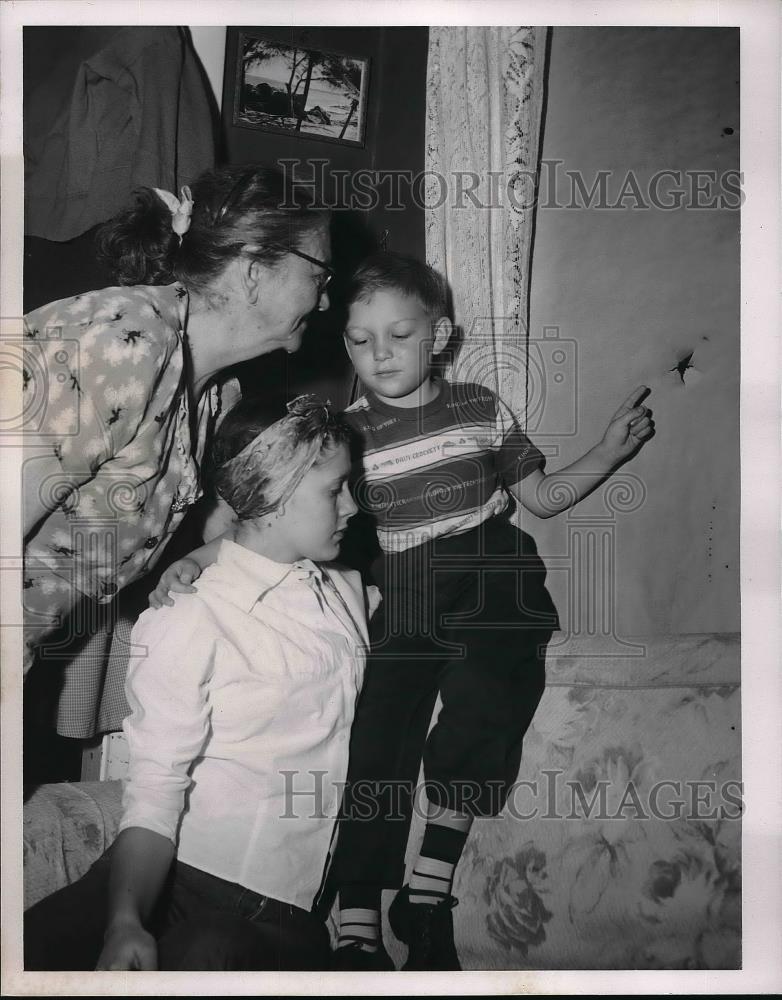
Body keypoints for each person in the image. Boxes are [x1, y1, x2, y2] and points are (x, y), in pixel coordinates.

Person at [151, 251, 655, 972]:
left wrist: (607, 453)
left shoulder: (479, 405)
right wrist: (204, 556)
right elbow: (261, 510)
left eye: (399, 334)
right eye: (360, 339)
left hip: (493, 568)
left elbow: (540, 497)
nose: (379, 354)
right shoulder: (342, 433)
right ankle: (357, 919)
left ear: (439, 335)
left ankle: (429, 890)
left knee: (490, 690)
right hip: (407, 580)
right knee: (378, 721)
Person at [24, 395, 369, 971]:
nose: (354, 506)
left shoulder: (347, 593)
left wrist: (202, 555)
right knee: (32, 947)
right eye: (335, 490)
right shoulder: (188, 616)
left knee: (204, 953)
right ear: (273, 496)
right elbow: (156, 789)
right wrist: (126, 919)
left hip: (272, 914)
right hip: (172, 872)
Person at [22, 163, 334, 741]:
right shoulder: (127, 340)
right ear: (253, 270)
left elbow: (236, 535)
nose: (324, 300)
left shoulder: (214, 395)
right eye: (319, 273)